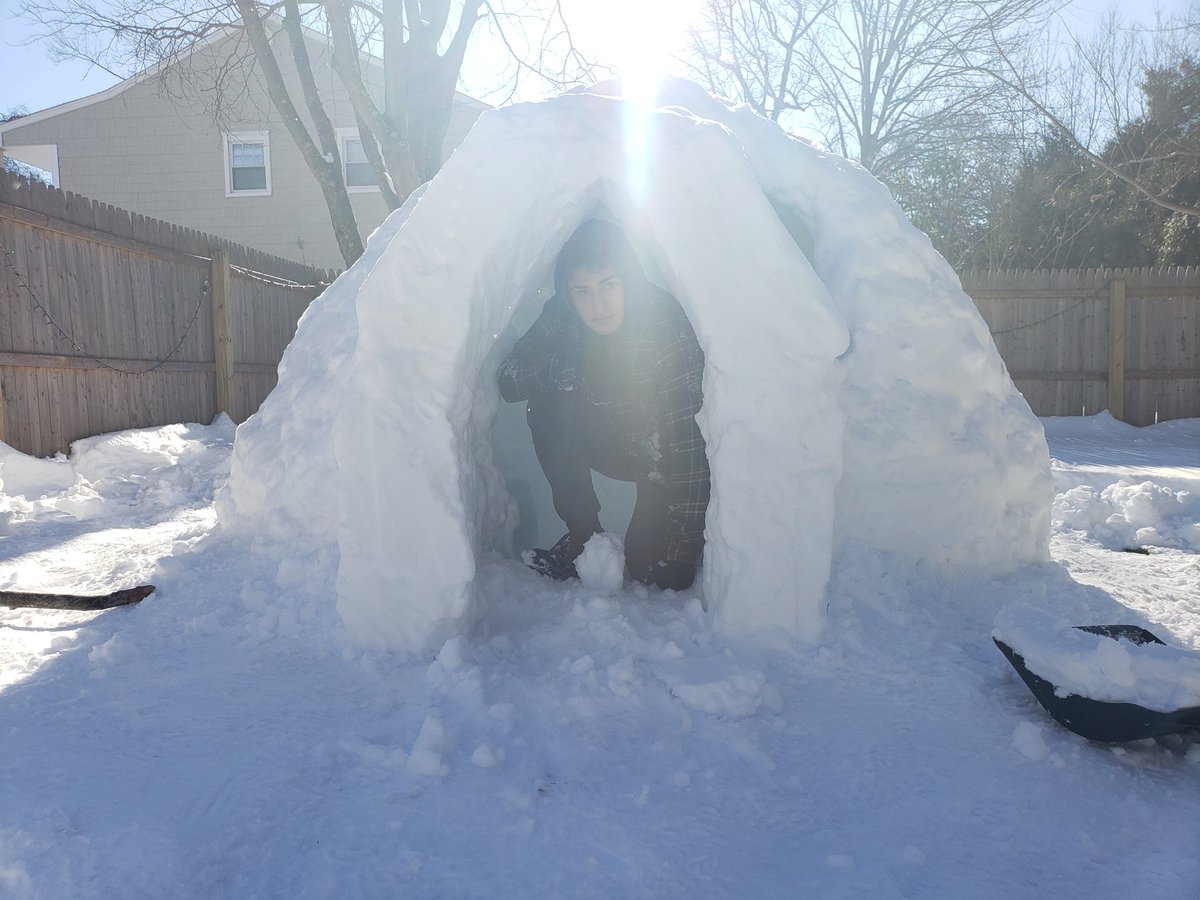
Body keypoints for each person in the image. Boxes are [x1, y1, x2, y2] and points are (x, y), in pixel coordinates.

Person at [497, 219, 710, 590]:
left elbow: (690, 445)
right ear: (568, 293)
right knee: (548, 401)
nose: (598, 305)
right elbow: (508, 380)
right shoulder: (562, 317)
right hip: (601, 438)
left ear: (628, 279)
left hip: (659, 457)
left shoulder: (663, 324)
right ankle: (584, 538)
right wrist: (558, 370)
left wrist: (682, 550)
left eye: (609, 285)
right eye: (583, 291)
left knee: (650, 571)